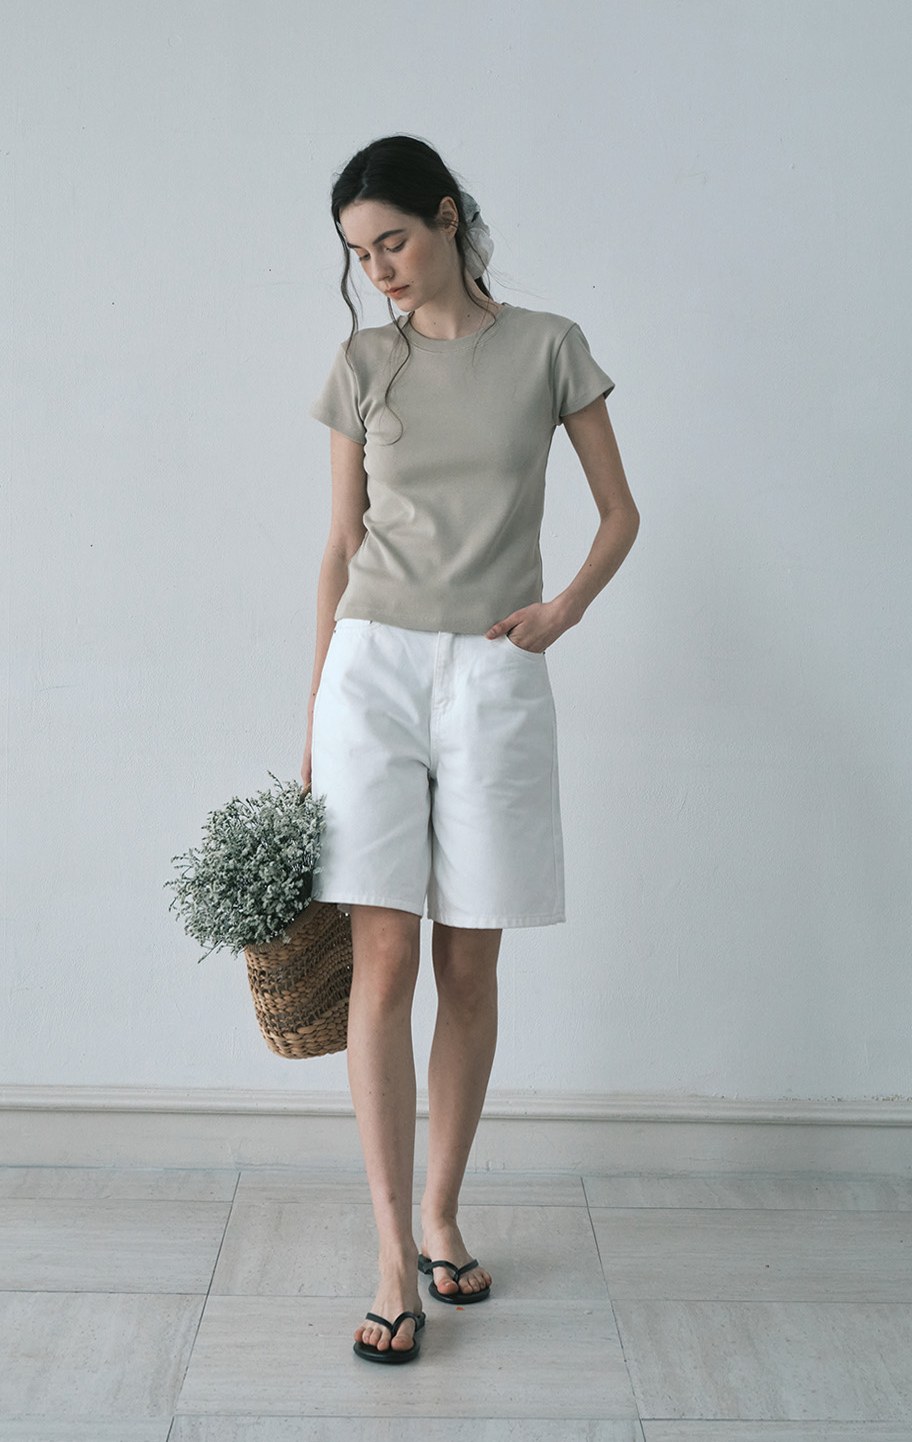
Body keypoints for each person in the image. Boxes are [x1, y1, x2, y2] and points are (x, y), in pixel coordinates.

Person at [301, 134, 639, 1363]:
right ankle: (394, 1252)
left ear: (446, 218)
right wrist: (312, 717)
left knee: (470, 966)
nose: (379, 268)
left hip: (495, 668)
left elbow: (619, 513)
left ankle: (443, 1208)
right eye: (359, 254)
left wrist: (563, 613)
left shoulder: (548, 348)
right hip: (373, 670)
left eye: (392, 240)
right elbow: (340, 548)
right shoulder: (362, 363)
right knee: (382, 958)